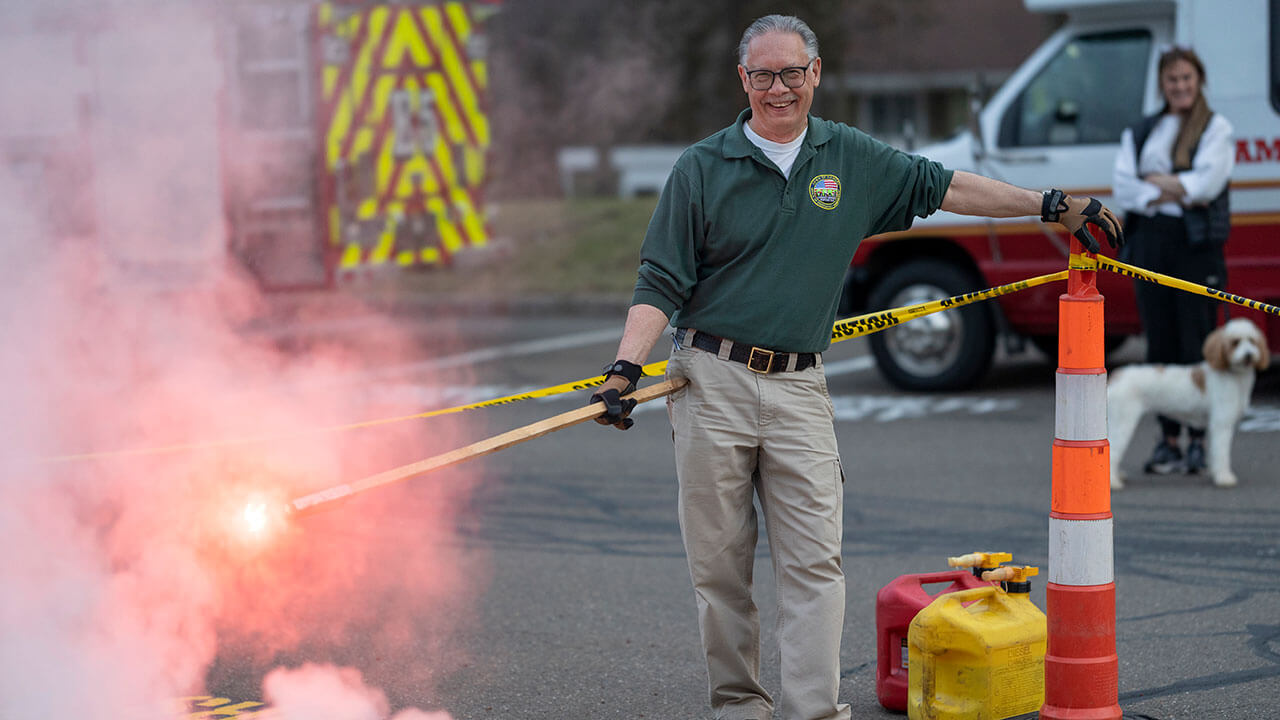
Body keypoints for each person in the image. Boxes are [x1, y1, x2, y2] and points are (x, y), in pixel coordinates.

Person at [589, 15, 1122, 720]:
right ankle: (740, 705)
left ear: (814, 74)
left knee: (815, 561)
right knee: (720, 568)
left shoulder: (852, 157)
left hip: (800, 385)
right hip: (707, 378)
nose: (777, 89)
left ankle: (813, 712)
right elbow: (660, 280)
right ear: (741, 80)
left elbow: (946, 187)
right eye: (762, 75)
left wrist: (1050, 206)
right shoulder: (700, 167)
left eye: (790, 73)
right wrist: (626, 369)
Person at [1112, 46, 1234, 476]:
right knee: (1159, 340)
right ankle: (1168, 442)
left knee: (1197, 339)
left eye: (1186, 78)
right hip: (1150, 243)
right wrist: (1170, 189)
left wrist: (1160, 184)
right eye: (1172, 80)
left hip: (1195, 244)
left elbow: (1208, 184)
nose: (1180, 86)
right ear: (1162, 85)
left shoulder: (1216, 129)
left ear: (1199, 81)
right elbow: (1124, 189)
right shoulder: (1142, 131)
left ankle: (1201, 440)